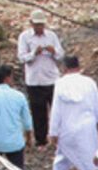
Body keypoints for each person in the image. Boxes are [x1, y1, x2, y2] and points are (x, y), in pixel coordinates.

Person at [48, 56, 98, 170]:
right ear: (79, 67)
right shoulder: (89, 83)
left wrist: (53, 132)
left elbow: (56, 110)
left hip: (67, 128)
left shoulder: (60, 84)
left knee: (61, 159)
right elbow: (97, 107)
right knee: (87, 164)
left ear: (64, 68)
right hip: (86, 128)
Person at [16, 9, 64, 146]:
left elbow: (60, 55)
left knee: (56, 110)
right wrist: (33, 53)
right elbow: (21, 57)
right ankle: (41, 140)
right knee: (38, 112)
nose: (39, 27)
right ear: (31, 23)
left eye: (41, 25)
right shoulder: (24, 37)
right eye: (36, 25)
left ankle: (57, 137)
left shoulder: (51, 36)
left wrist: (53, 51)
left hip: (51, 78)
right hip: (34, 80)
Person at [0, 64, 33, 169]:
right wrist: (29, 138)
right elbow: (27, 121)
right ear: (7, 78)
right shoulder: (19, 96)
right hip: (15, 144)